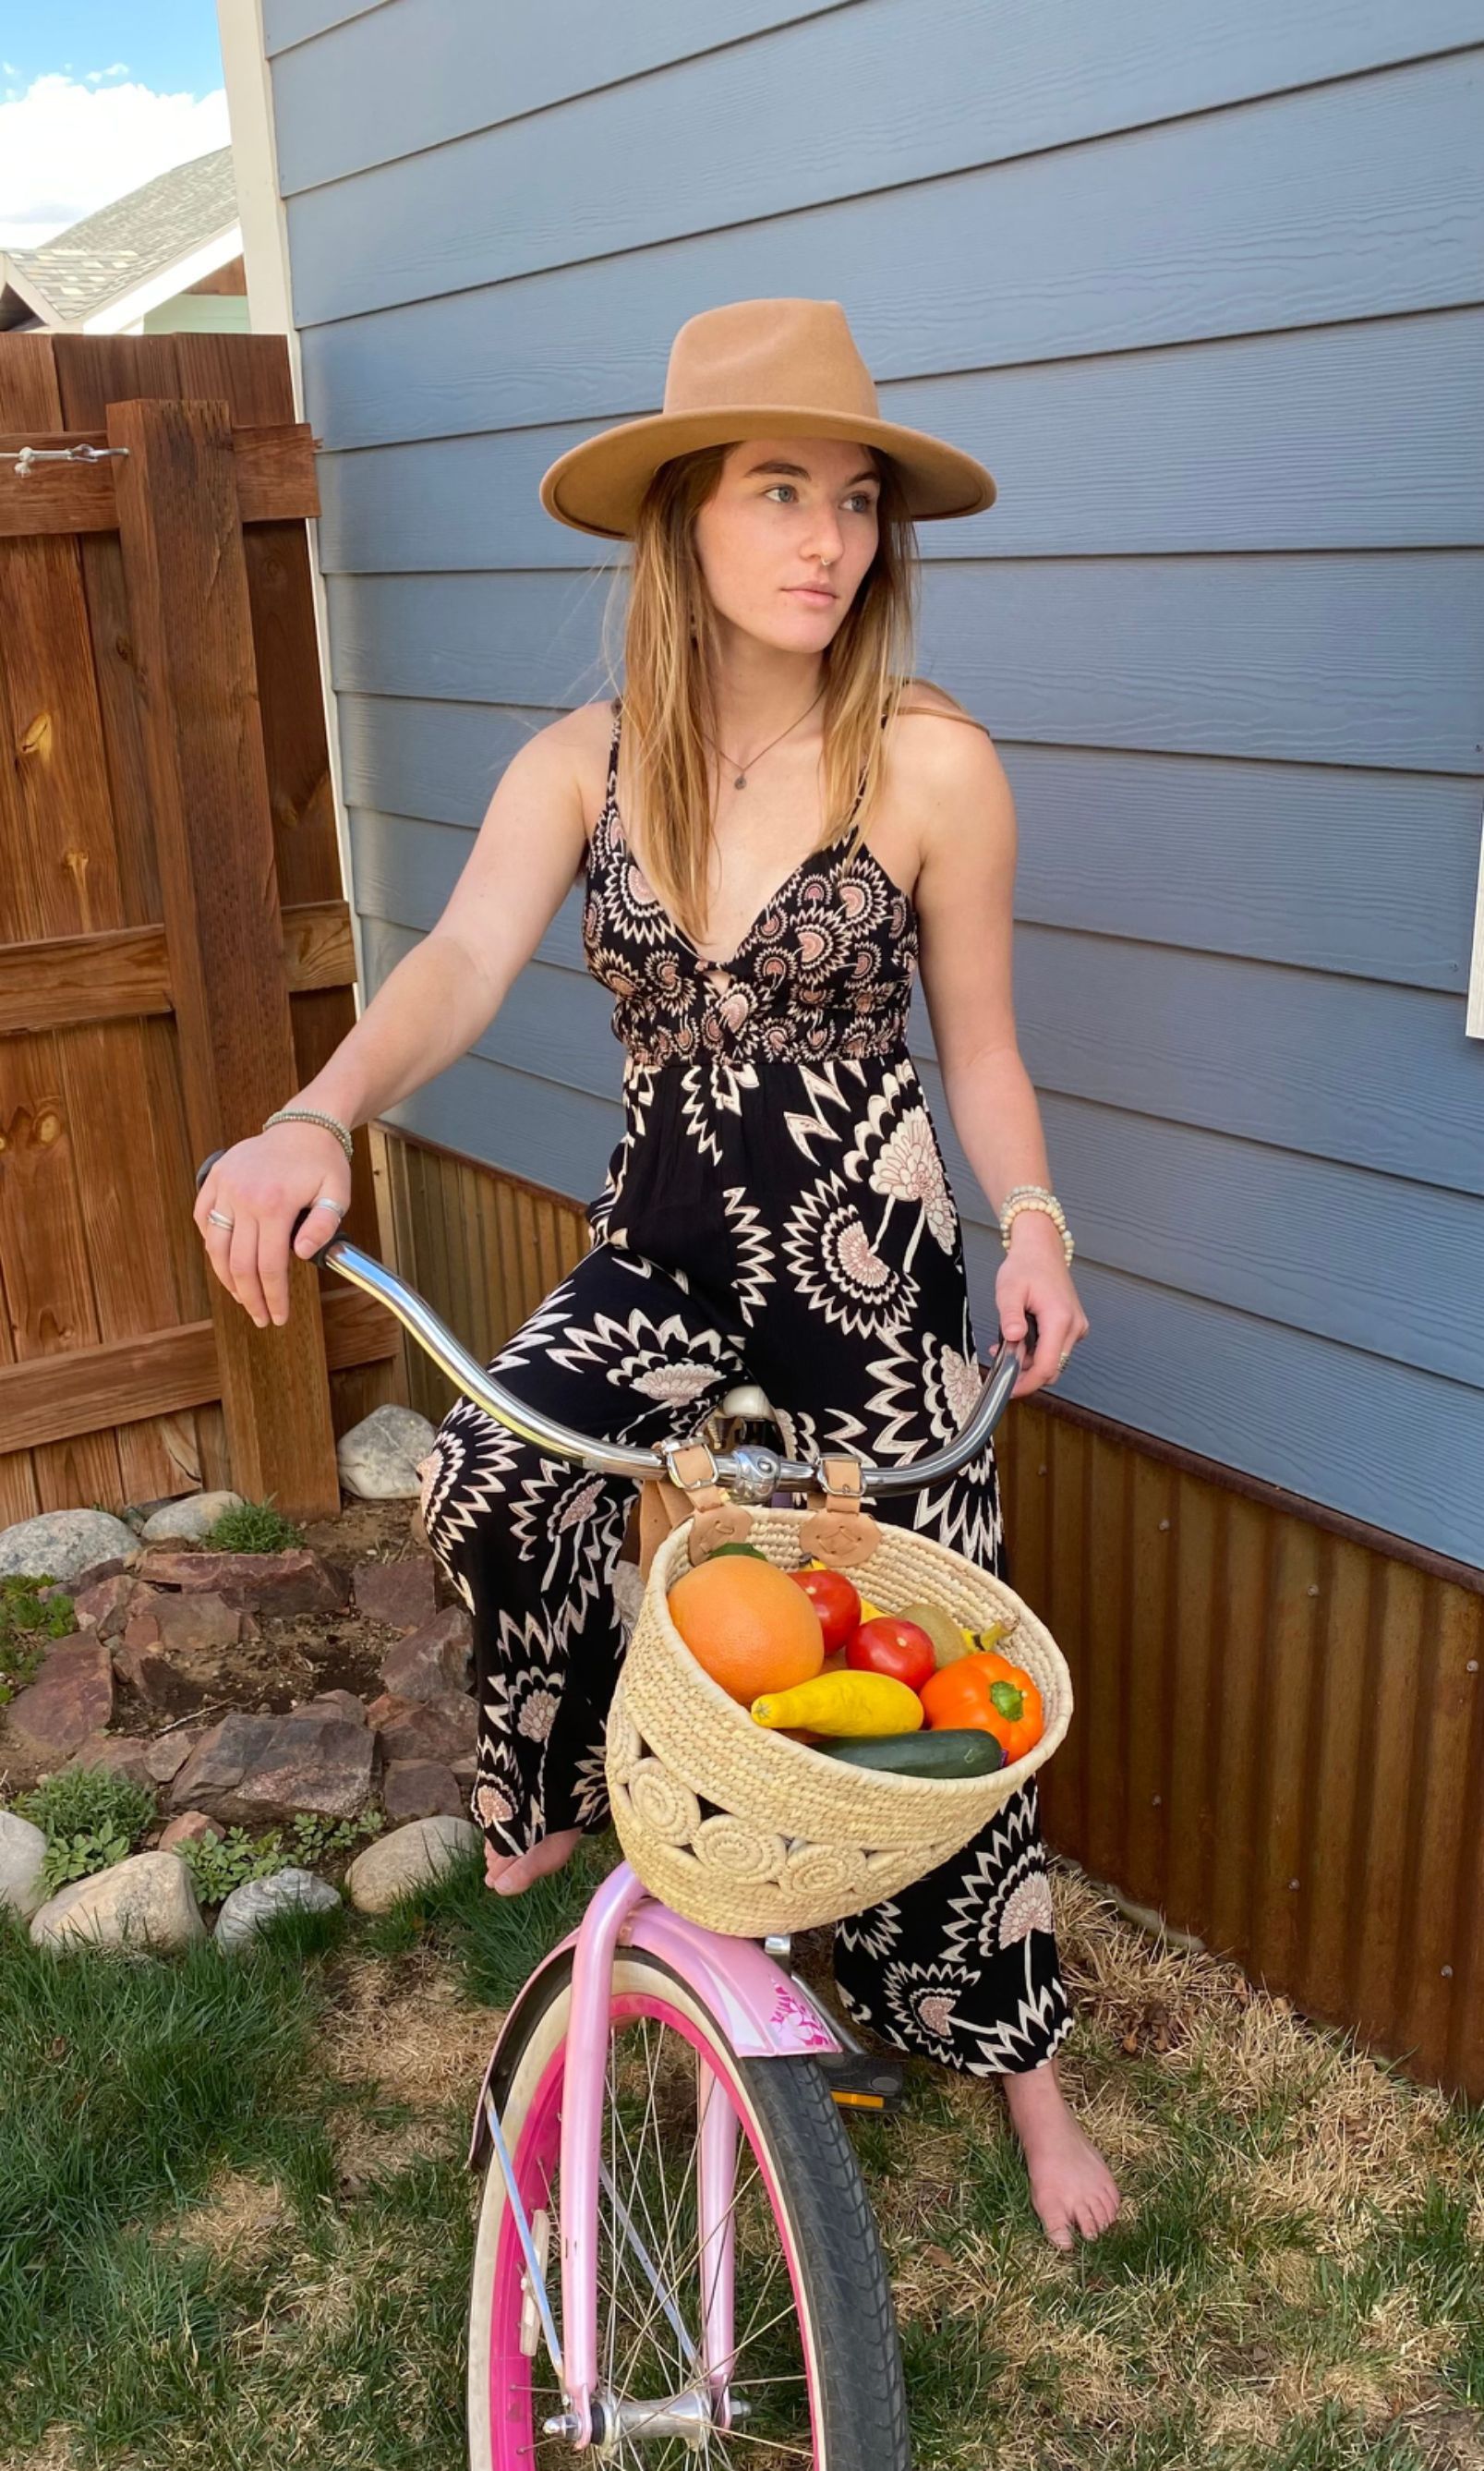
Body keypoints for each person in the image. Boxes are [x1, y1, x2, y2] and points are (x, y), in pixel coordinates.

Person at [194, 297, 1119, 2250]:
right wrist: (314, 1113)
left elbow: (983, 1054)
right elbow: (448, 970)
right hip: (664, 1263)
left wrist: (1032, 1224)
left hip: (870, 1284)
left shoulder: (935, 767)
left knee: (938, 1656)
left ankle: (1022, 2078)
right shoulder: (583, 765)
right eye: (780, 492)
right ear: (682, 518)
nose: (829, 540)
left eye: (857, 502)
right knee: (492, 1475)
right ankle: (580, 1797)